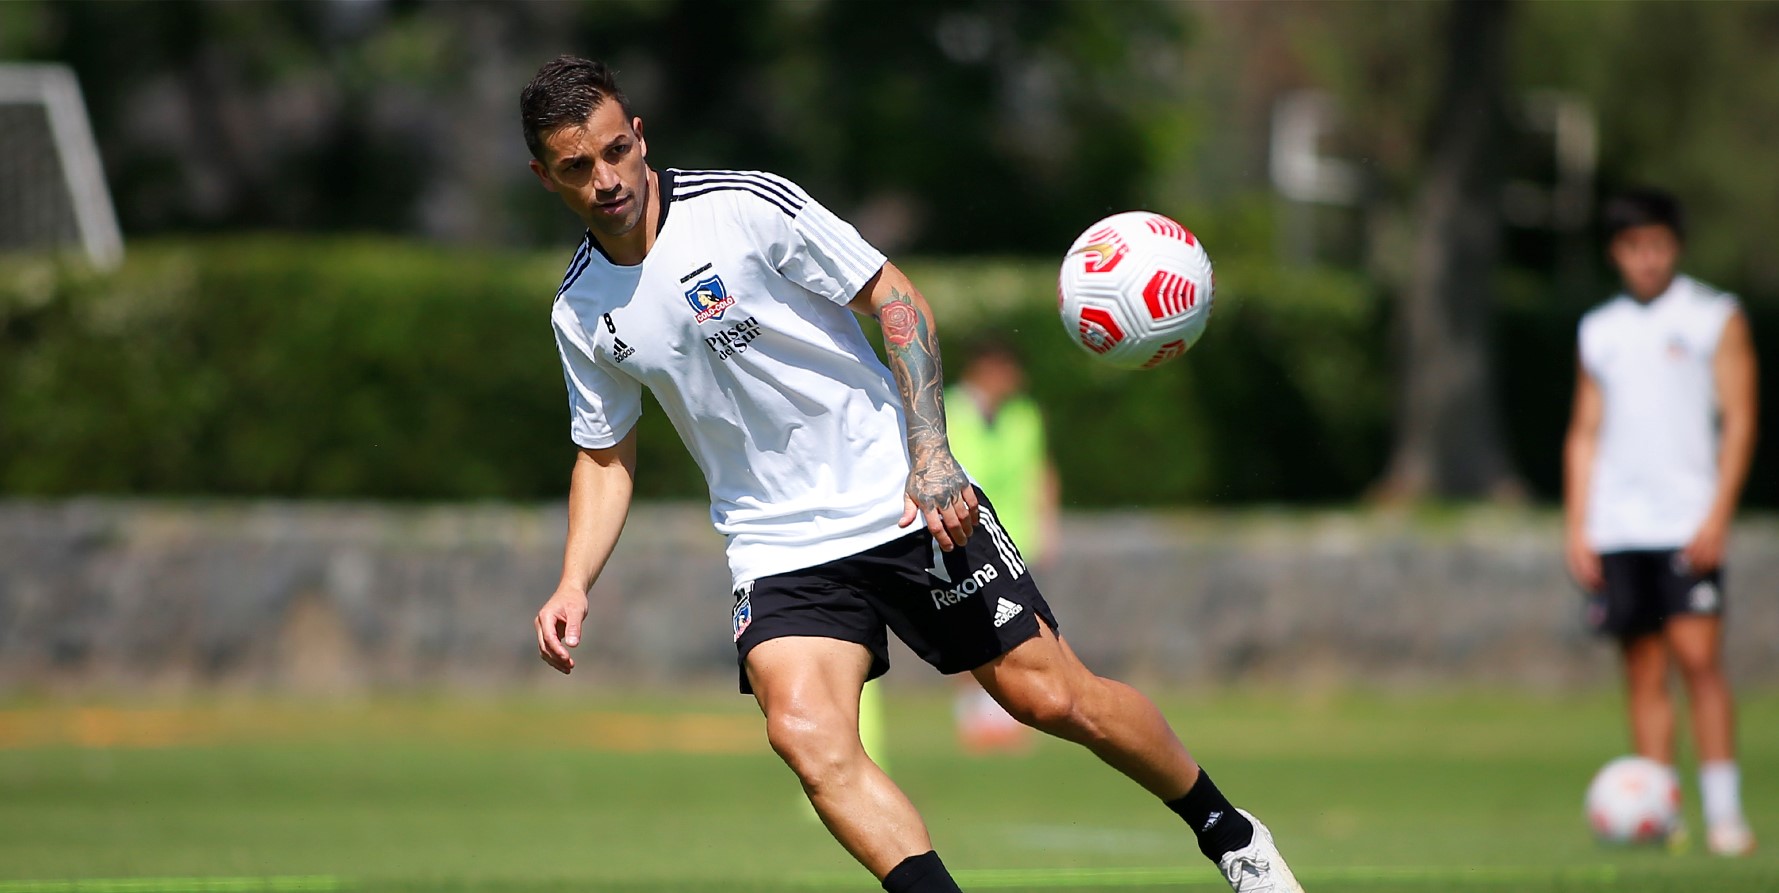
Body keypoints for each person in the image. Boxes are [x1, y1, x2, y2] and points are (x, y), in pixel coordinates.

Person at [522, 56, 1304, 893]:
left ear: (639, 136)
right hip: (775, 543)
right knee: (805, 734)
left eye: (614, 152)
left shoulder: (742, 206)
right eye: (577, 167)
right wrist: (573, 580)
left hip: (898, 496)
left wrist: (929, 454)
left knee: (1051, 699)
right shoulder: (579, 308)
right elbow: (605, 454)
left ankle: (1227, 831)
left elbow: (896, 298)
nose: (605, 180)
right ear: (545, 176)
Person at [1564, 188, 1760, 857]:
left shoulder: (1712, 316)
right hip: (1618, 523)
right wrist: (1577, 524)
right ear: (1615, 252)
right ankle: (1662, 812)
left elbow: (1738, 419)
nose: (1644, 260)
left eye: (1655, 245)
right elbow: (1584, 433)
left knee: (1698, 659)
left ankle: (1725, 812)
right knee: (1642, 669)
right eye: (1631, 247)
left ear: (1672, 246)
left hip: (1685, 519)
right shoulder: (1599, 329)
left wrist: (1717, 511)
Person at [943, 336, 1060, 753]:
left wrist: (1047, 524)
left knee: (1022, 626)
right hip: (963, 534)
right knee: (970, 624)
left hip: (1014, 537)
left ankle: (1011, 712)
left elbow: (1039, 470)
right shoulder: (947, 409)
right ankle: (975, 713)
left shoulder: (1024, 415)